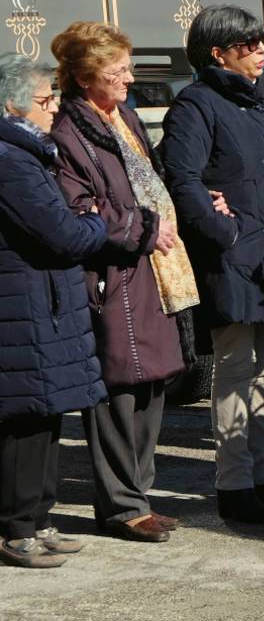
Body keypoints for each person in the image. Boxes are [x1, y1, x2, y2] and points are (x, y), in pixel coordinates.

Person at [162, 5, 264, 522]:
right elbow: (182, 180)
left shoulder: (262, 102)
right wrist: (225, 231)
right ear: (218, 52)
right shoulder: (196, 105)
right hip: (234, 257)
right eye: (248, 43)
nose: (260, 50)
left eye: (261, 41)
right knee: (234, 367)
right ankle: (234, 484)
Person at [50, 22, 197, 542]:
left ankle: (139, 495)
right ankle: (121, 507)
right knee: (118, 391)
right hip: (112, 275)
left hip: (152, 269)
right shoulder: (69, 132)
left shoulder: (121, 115)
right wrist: (145, 227)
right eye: (119, 70)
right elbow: (81, 212)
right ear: (88, 76)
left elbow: (149, 183)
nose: (130, 78)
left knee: (153, 381)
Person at [0, 54, 109, 568]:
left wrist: (83, 221)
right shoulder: (10, 159)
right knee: (24, 421)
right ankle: (15, 529)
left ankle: (40, 519)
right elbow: (63, 234)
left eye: (55, 99)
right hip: (22, 309)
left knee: (46, 416)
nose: (54, 110)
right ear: (11, 106)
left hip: (45, 307)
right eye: (45, 101)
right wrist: (93, 223)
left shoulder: (30, 153)